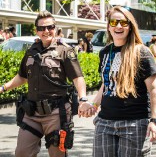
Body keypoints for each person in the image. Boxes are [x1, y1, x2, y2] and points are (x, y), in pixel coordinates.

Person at [0, 10, 95, 157]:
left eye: (50, 27)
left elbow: (77, 77)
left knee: (57, 154)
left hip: (56, 113)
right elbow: (22, 77)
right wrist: (3, 88)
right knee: (22, 152)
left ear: (55, 28)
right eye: (42, 28)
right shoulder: (31, 51)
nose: (46, 31)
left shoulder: (65, 51)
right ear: (36, 30)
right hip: (32, 112)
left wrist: (83, 99)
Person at [83, 6, 156, 157]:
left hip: (134, 123)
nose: (118, 26)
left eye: (124, 23)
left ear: (130, 27)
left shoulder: (142, 52)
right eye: (114, 22)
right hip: (105, 121)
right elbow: (107, 83)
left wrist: (155, 121)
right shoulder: (105, 52)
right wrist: (93, 105)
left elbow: (154, 90)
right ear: (109, 26)